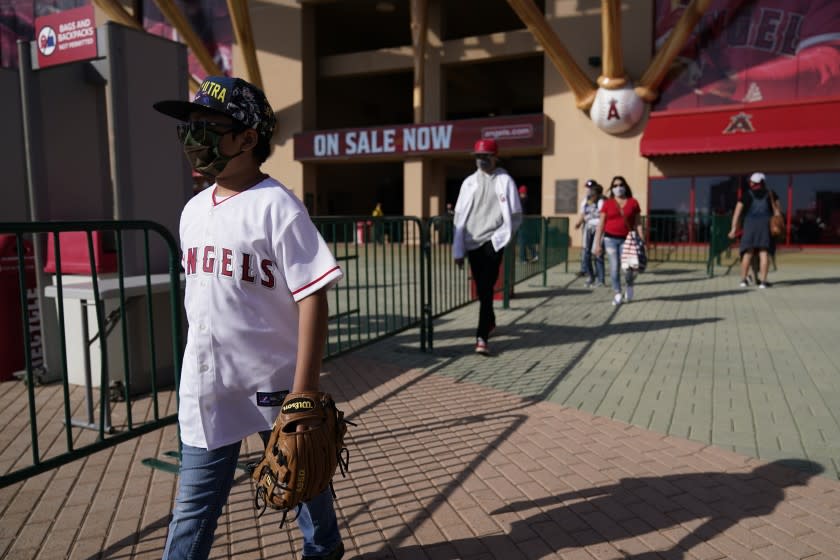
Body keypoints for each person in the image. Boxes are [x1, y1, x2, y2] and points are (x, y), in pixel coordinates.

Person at [153, 76, 346, 560]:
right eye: (189, 126)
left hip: (274, 380)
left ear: (247, 137)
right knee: (194, 508)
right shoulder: (193, 210)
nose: (194, 137)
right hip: (207, 383)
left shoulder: (278, 206)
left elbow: (313, 295)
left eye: (209, 126)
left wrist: (304, 393)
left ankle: (324, 550)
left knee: (301, 474)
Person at [453, 138, 522, 355]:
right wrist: (458, 250)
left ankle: (481, 336)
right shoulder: (469, 182)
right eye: (478, 157)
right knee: (484, 290)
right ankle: (490, 320)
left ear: (495, 157)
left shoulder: (505, 181)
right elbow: (458, 217)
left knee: (485, 286)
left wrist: (501, 239)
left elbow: (516, 216)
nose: (481, 161)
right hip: (472, 242)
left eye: (485, 156)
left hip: (493, 241)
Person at [593, 176, 644, 306]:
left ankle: (630, 286)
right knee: (614, 268)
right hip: (610, 239)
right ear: (612, 188)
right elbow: (601, 224)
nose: (618, 188)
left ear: (625, 186)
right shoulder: (608, 203)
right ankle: (617, 293)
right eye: (615, 186)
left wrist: (642, 239)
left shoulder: (633, 202)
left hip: (628, 240)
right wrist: (597, 244)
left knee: (629, 269)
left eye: (620, 185)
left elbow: (638, 223)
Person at [729, 172, 782, 289]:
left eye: (751, 181)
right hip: (765, 227)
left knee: (747, 253)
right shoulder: (771, 194)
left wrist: (733, 229)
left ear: (753, 183)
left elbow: (736, 214)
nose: (750, 183)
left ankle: (743, 281)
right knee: (764, 253)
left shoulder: (746, 195)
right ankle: (763, 282)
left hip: (750, 226)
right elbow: (778, 212)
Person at [574, 179, 605, 287]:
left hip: (598, 228)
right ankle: (591, 277)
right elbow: (583, 213)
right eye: (588, 189)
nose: (589, 191)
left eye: (591, 189)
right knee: (586, 253)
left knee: (597, 254)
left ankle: (600, 279)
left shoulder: (601, 201)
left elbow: (603, 215)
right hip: (588, 227)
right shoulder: (586, 200)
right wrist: (578, 223)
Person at [517, 185, 539, 263]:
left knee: (522, 241)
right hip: (528, 222)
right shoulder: (528, 200)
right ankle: (534, 254)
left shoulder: (521, 201)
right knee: (527, 240)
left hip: (522, 222)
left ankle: (523, 259)